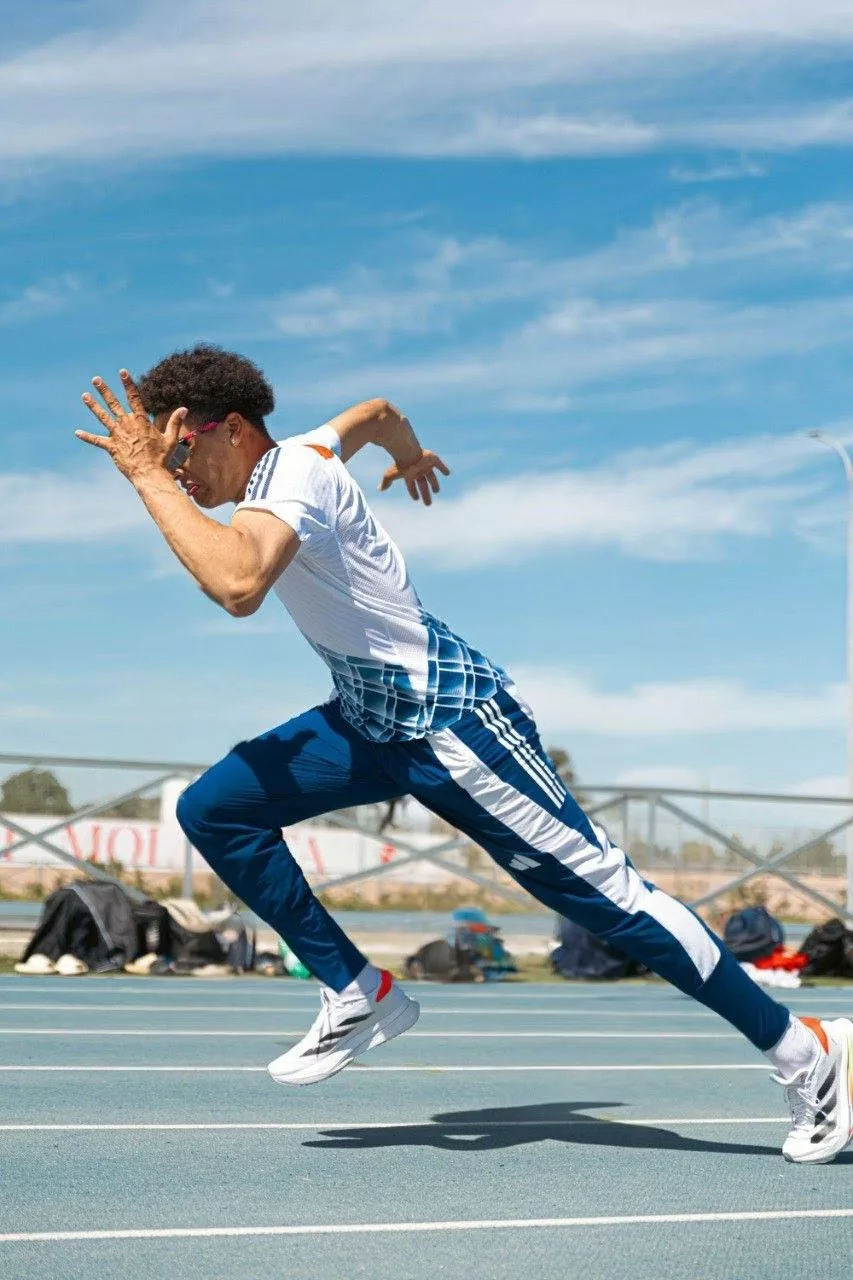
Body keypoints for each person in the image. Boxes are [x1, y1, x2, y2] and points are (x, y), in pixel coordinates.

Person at [77, 345, 853, 1164]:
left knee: (609, 900)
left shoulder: (291, 481)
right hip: (371, 722)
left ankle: (807, 1050)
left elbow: (238, 586)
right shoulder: (306, 450)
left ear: (229, 429)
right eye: (165, 460)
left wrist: (144, 478)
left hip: (452, 726)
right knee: (217, 808)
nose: (177, 472)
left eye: (179, 451)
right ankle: (356, 990)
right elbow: (374, 412)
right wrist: (410, 457)